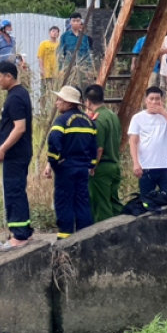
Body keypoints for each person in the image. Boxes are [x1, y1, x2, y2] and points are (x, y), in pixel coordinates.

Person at [44, 85, 97, 239]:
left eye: (59, 99)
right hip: (82, 169)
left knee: (64, 202)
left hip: (66, 168)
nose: (56, 103)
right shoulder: (88, 121)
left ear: (68, 102)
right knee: (82, 202)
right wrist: (91, 164)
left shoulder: (61, 121)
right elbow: (94, 146)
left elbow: (54, 141)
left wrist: (54, 162)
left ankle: (65, 239)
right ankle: (85, 237)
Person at [0, 61, 34, 248]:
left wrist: (2, 148)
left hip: (16, 154)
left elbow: (19, 128)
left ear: (9, 76)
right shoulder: (18, 94)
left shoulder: (15, 97)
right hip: (17, 153)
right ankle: (24, 230)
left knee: (13, 191)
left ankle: (19, 235)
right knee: (17, 191)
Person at [129, 86, 167, 195]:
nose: (154, 102)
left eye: (157, 99)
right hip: (146, 166)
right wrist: (136, 163)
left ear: (161, 100)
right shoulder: (137, 118)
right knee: (147, 199)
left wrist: (163, 113)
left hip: (164, 166)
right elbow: (133, 141)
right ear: (146, 101)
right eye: (151, 99)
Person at [83, 84, 122, 222]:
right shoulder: (112, 116)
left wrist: (93, 166)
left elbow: (98, 148)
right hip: (115, 164)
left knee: (102, 206)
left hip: (102, 167)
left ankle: (105, 240)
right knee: (114, 204)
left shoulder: (98, 120)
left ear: (88, 101)